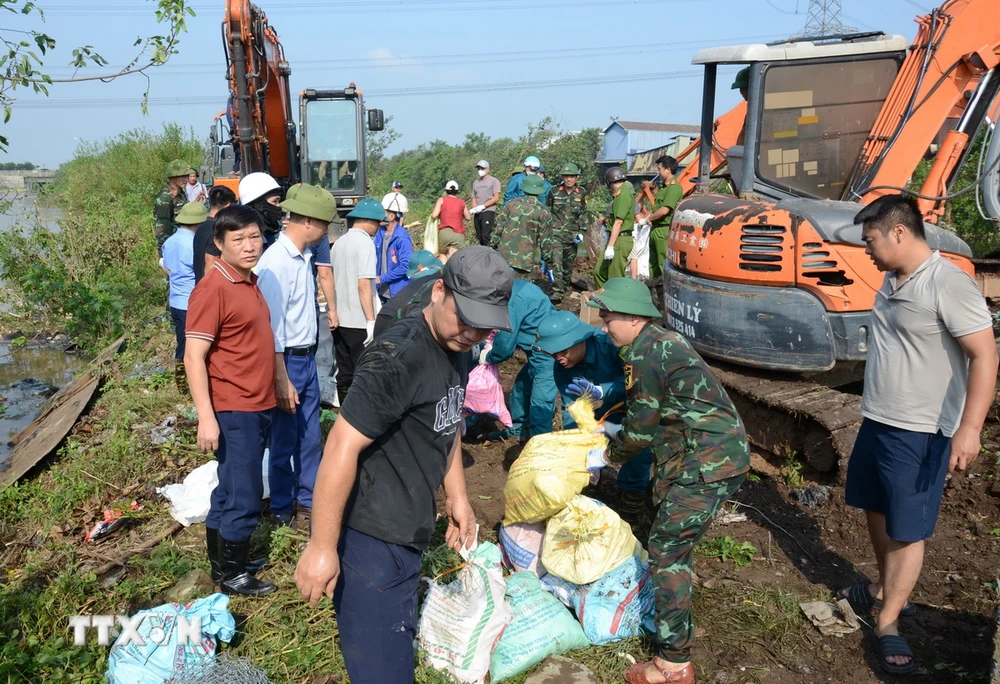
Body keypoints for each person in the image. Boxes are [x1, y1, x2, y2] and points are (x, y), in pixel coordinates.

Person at [294, 246, 514, 684]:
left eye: (483, 326)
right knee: (382, 669)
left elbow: (449, 417)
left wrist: (457, 495)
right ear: (438, 292)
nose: (472, 334)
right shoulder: (398, 358)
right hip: (371, 535)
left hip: (410, 523)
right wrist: (321, 547)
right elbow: (340, 446)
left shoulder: (460, 348)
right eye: (465, 319)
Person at [838, 195, 997, 676]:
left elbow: (985, 356)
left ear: (899, 233)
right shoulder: (892, 277)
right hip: (879, 419)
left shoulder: (948, 284)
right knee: (875, 506)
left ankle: (889, 622)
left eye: (871, 241)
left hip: (922, 430)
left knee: (907, 529)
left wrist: (969, 430)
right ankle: (885, 587)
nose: (867, 250)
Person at [586, 277, 750, 684]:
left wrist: (606, 455)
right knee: (670, 538)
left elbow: (641, 431)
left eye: (609, 319)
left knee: (665, 551)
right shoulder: (657, 342)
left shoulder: (645, 354)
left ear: (633, 318)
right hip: (701, 452)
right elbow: (659, 413)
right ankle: (675, 613)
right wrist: (617, 433)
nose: (605, 327)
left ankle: (673, 665)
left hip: (708, 462)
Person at [184, 205, 277, 598]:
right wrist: (206, 417)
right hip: (235, 406)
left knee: (229, 486)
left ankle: (224, 564)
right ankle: (233, 575)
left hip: (257, 402)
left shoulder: (247, 280)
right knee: (245, 492)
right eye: (238, 240)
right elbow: (193, 356)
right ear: (219, 243)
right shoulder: (214, 287)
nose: (250, 246)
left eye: (254, 237)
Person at [255, 184, 337, 530]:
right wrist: (281, 378)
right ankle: (281, 506)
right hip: (285, 360)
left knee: (309, 434)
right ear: (306, 222)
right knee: (285, 439)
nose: (326, 232)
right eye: (324, 225)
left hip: (304, 357)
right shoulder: (276, 263)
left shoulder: (302, 258)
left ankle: (307, 501)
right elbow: (270, 328)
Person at [531, 310, 653, 523]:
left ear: (579, 340)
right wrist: (580, 444)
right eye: (553, 353)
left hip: (641, 403)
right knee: (583, 448)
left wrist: (603, 390)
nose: (559, 358)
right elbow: (574, 408)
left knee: (637, 451)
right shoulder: (563, 367)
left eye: (563, 351)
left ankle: (631, 509)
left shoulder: (612, 345)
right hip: (608, 411)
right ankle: (589, 491)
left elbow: (636, 381)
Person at [482, 279, 556, 441]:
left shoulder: (511, 301)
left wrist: (487, 357)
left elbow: (505, 346)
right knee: (521, 388)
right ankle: (517, 429)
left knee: (540, 404)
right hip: (539, 348)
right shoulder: (520, 286)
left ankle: (540, 448)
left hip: (548, 352)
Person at [330, 198, 383, 404]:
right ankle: (361, 416)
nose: (378, 228)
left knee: (345, 371)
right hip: (358, 320)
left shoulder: (339, 242)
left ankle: (344, 410)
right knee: (365, 373)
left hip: (339, 318)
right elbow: (364, 285)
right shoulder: (365, 243)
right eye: (378, 223)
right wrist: (371, 321)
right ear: (368, 220)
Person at [162, 202, 208, 394]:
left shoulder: (170, 241)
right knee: (196, 349)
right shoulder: (193, 244)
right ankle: (191, 387)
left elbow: (166, 267)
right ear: (198, 224)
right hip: (192, 302)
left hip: (176, 301)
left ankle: (182, 387)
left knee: (182, 343)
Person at [491, 174, 552, 281]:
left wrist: (492, 246)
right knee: (519, 291)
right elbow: (546, 242)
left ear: (524, 189)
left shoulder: (511, 204)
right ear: (540, 190)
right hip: (525, 260)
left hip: (504, 256)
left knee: (500, 288)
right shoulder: (544, 211)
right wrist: (548, 260)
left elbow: (498, 230)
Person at [544, 162, 588, 298]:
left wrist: (582, 231)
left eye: (572, 176)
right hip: (556, 234)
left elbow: (584, 213)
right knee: (556, 262)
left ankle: (564, 287)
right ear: (562, 177)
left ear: (577, 178)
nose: (569, 179)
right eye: (566, 176)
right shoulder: (554, 191)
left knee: (568, 265)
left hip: (572, 236)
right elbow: (548, 211)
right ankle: (557, 291)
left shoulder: (581, 193)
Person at [594, 166, 636, 288]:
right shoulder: (621, 194)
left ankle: (616, 304)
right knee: (598, 272)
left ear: (609, 181)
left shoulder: (623, 195)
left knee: (615, 278)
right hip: (615, 238)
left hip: (620, 239)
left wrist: (611, 246)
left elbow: (618, 222)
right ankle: (605, 299)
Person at [647, 156, 682, 280]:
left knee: (662, 262)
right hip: (656, 229)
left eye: (659, 169)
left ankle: (663, 291)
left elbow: (664, 210)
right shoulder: (664, 187)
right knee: (653, 263)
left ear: (668, 170)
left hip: (663, 230)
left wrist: (648, 219)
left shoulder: (673, 188)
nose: (658, 172)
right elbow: (657, 206)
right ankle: (653, 291)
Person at [374, 195, 414, 302]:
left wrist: (381, 279)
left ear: (391, 216)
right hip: (380, 290)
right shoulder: (379, 233)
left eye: (383, 212)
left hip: (396, 293)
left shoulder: (402, 238)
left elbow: (405, 266)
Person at [193, 186, 237, 283]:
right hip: (210, 290)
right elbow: (210, 265)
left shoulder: (201, 227)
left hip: (199, 285)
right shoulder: (217, 230)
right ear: (228, 205)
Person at [153, 159, 192, 251]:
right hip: (172, 247)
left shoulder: (181, 194)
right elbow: (162, 229)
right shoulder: (165, 198)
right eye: (183, 176)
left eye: (187, 176)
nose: (186, 179)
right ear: (172, 176)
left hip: (183, 244)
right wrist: (164, 254)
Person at [239, 172, 284, 249]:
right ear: (259, 205)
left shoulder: (276, 230)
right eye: (275, 201)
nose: (279, 206)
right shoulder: (245, 239)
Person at [431, 180, 471, 260]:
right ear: (457, 191)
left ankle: (443, 271)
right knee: (455, 257)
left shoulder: (441, 200)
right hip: (458, 234)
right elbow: (468, 217)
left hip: (444, 233)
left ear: (446, 191)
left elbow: (434, 215)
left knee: (443, 254)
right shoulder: (461, 202)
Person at [470, 159, 501, 246]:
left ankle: (490, 253)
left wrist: (483, 206)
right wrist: (474, 208)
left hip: (488, 210)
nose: (480, 170)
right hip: (478, 212)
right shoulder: (476, 183)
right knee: (479, 236)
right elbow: (474, 197)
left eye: (482, 168)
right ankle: (483, 253)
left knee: (485, 235)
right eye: (479, 168)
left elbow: (496, 197)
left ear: (487, 169)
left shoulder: (494, 181)